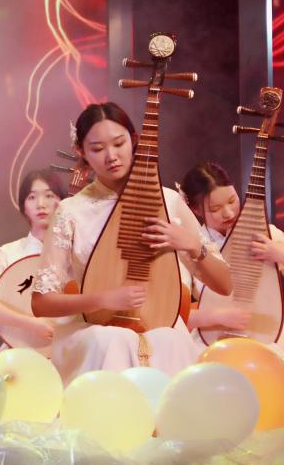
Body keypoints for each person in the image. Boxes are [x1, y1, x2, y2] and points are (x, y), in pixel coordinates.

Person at [31, 103, 233, 382]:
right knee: (112, 340)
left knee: (171, 340)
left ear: (134, 140)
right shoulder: (70, 211)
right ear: (81, 151)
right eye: (97, 149)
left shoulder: (169, 202)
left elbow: (224, 285)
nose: (111, 156)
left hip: (159, 324)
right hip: (96, 330)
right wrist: (103, 299)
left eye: (119, 143)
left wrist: (190, 244)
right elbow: (41, 303)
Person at [179, 162, 284, 340]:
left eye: (232, 201)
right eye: (215, 209)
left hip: (270, 332)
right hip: (212, 338)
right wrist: (216, 316)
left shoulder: (263, 233)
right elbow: (172, 315)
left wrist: (279, 254)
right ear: (196, 210)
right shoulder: (190, 246)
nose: (228, 213)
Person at [0, 170, 66, 354]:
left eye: (49, 195)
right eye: (32, 197)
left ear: (63, 202)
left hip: (67, 349)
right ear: (24, 207)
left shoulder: (75, 251)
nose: (41, 204)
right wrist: (31, 324)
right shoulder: (10, 252)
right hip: (18, 349)